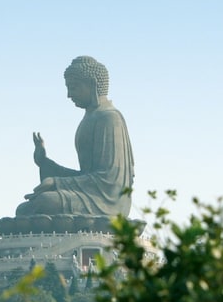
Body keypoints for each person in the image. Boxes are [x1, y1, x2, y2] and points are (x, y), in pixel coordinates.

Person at [15, 56, 134, 218]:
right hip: (90, 194)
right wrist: (45, 163)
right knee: (24, 209)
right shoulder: (89, 118)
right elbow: (84, 176)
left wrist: (57, 182)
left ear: (92, 84)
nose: (69, 95)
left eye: (74, 88)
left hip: (107, 202)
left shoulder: (109, 118)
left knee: (45, 202)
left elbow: (109, 180)